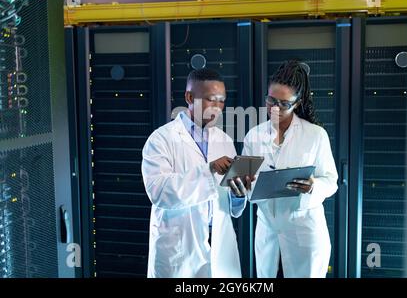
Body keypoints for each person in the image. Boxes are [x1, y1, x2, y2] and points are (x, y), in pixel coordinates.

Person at [141, 68, 252, 278]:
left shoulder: (224, 140)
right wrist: (208, 170)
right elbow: (159, 192)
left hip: (218, 242)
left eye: (222, 101)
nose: (217, 108)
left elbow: (229, 204)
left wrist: (238, 195)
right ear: (189, 97)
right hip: (180, 247)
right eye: (211, 100)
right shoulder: (161, 139)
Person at [242, 60, 338, 278]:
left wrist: (314, 186)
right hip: (267, 231)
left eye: (283, 104)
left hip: (304, 232)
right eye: (270, 101)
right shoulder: (254, 136)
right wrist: (242, 186)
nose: (274, 109)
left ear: (298, 102)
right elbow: (246, 187)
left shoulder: (315, 135)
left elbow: (331, 181)